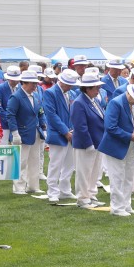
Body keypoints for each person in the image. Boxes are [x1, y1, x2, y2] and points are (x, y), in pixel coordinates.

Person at [98, 80, 134, 216]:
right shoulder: (116, 103)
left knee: (128, 176)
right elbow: (110, 127)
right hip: (115, 146)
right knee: (117, 177)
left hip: (131, 145)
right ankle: (117, 207)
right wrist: (130, 136)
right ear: (131, 95)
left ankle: (126, 205)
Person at [6, 69, 46, 195]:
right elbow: (10, 115)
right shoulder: (16, 96)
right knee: (21, 162)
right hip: (22, 133)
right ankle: (18, 187)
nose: (35, 86)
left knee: (34, 160)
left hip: (35, 132)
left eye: (35, 83)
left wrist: (44, 125)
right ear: (24, 83)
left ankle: (33, 186)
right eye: (32, 83)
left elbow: (40, 112)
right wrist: (15, 133)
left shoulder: (36, 96)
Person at [43, 69, 79, 203]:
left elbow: (73, 112)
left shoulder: (71, 92)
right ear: (61, 81)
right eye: (68, 84)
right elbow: (51, 115)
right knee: (55, 165)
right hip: (58, 134)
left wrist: (73, 130)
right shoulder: (50, 93)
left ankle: (65, 190)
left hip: (71, 133)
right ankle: (52, 191)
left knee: (70, 164)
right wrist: (65, 132)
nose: (71, 87)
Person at [71, 70, 106, 208]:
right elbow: (80, 126)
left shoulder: (93, 100)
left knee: (94, 171)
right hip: (85, 144)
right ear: (87, 88)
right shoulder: (79, 103)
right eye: (96, 87)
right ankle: (82, 198)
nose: (99, 90)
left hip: (97, 142)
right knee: (84, 172)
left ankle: (91, 194)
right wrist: (88, 144)